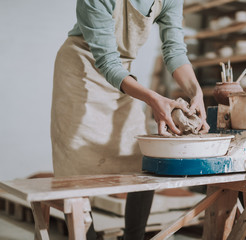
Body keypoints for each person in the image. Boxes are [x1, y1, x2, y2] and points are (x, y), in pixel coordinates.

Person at [50, 0, 209, 239]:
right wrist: (153, 98)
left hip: (124, 76)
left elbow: (174, 50)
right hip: (80, 70)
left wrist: (195, 91)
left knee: (142, 161)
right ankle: (85, 235)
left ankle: (134, 236)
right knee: (75, 167)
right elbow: (107, 61)